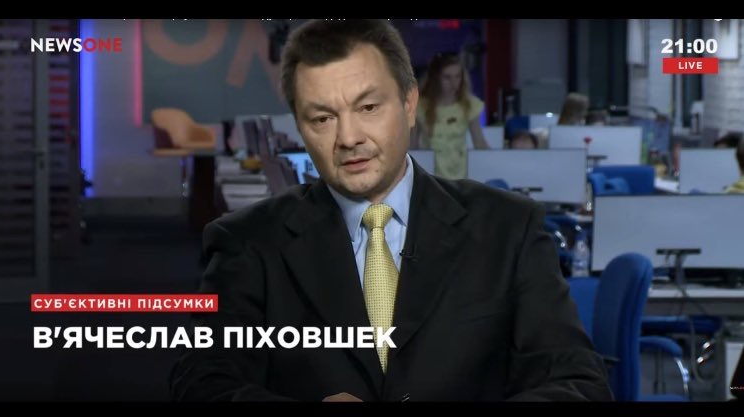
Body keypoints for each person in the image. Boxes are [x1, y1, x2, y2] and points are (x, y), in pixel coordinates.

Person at [170, 19, 612, 402]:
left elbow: (578, 382)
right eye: (322, 118)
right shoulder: (248, 241)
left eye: (368, 107)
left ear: (409, 104)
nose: (348, 137)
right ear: (301, 127)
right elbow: (201, 382)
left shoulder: (509, 229)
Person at [411, 52, 489, 180]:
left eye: (457, 76)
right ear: (436, 78)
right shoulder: (420, 107)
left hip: (461, 176)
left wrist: (499, 162)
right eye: (447, 77)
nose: (454, 83)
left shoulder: (469, 105)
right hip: (430, 176)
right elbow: (412, 147)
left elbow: (479, 143)